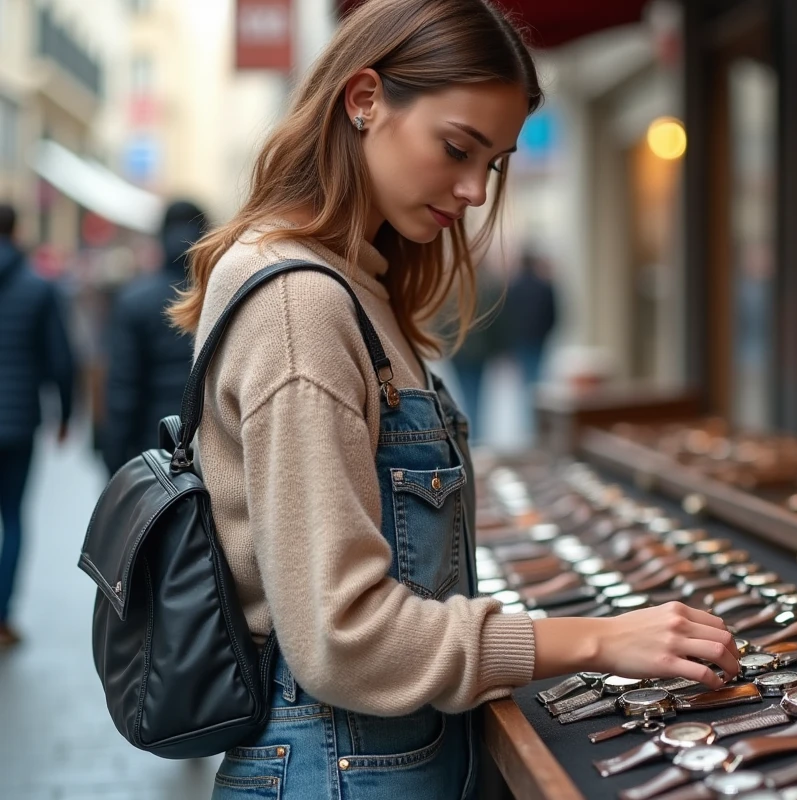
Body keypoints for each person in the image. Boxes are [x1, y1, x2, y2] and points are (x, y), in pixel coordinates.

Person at [165, 2, 738, 797]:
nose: (473, 189)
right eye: (457, 148)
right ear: (363, 99)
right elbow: (344, 637)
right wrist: (597, 640)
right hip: (341, 769)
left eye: (494, 162)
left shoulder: (352, 281)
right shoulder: (302, 303)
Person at [0, 203, 76, 648]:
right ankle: (3, 615)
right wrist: (65, 414)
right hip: (18, 422)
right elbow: (60, 358)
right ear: (18, 229)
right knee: (12, 516)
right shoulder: (37, 286)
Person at [101, 201, 208, 475]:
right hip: (211, 448)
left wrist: (114, 454)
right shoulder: (223, 296)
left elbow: (123, 387)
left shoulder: (134, 299)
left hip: (152, 446)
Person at [448, 262, 506, 440]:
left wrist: (446, 345)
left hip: (460, 351)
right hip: (479, 352)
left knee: (468, 393)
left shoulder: (455, 286)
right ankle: (475, 435)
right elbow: (497, 321)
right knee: (476, 394)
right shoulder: (490, 284)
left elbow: (444, 320)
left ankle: (471, 435)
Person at [503, 250, 557, 428]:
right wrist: (546, 332)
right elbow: (553, 314)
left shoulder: (513, 287)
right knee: (536, 378)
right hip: (538, 339)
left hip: (521, 339)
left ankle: (530, 420)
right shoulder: (543, 286)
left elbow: (507, 316)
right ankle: (535, 420)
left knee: (527, 379)